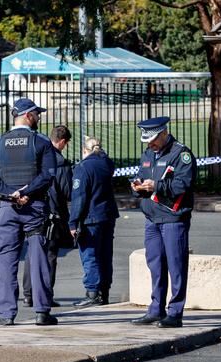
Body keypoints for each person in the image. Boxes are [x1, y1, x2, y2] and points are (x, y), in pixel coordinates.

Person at [0, 98, 58, 326]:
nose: (39, 117)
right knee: (38, 260)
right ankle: (42, 311)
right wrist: (26, 191)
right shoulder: (41, 142)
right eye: (37, 113)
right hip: (34, 207)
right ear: (28, 115)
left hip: (8, 208)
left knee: (6, 261)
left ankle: (6, 314)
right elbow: (48, 175)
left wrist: (11, 193)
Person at [130, 116, 197, 328]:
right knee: (155, 264)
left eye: (153, 140)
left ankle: (175, 312)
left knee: (176, 266)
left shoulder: (181, 154)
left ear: (164, 133)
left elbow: (183, 185)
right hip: (152, 219)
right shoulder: (148, 153)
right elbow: (142, 174)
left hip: (172, 218)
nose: (150, 144)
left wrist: (156, 186)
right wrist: (138, 187)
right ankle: (156, 309)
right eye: (147, 140)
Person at [22, 125, 73, 308]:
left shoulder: (37, 156)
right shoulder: (60, 163)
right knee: (50, 254)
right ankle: (45, 295)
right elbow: (67, 192)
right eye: (65, 143)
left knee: (32, 252)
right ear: (62, 142)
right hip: (53, 213)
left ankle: (28, 294)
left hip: (34, 209)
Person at [69, 136, 119, 308]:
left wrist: (73, 222)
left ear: (84, 150)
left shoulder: (83, 168)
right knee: (105, 255)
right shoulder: (107, 164)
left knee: (90, 255)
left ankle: (92, 293)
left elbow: (79, 198)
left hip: (90, 218)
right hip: (107, 215)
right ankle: (104, 292)